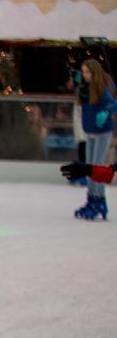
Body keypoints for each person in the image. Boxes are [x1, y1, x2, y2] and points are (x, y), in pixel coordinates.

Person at [70, 59, 117, 221]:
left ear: (95, 73)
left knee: (95, 168)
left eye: (88, 72)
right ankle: (94, 199)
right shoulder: (84, 88)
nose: (85, 75)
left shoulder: (101, 88)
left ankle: (98, 201)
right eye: (83, 72)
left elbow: (113, 104)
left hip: (103, 132)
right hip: (90, 132)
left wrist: (105, 112)